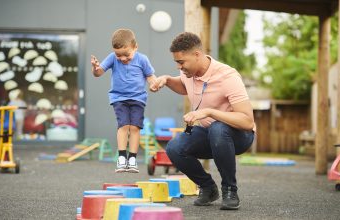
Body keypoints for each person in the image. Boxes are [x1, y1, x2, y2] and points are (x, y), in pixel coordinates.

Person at [152, 32, 255, 210]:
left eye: (181, 62)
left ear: (197, 55)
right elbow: (184, 86)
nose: (179, 67)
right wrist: (167, 80)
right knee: (174, 148)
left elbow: (247, 121)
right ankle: (208, 188)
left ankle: (230, 190)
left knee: (218, 128)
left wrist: (209, 112)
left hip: (239, 135)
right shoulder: (188, 73)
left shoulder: (227, 77)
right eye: (177, 62)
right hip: (211, 134)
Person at [91, 29, 157, 173]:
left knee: (135, 128)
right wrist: (95, 68)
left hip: (138, 98)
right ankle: (122, 158)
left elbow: (150, 76)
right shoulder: (112, 58)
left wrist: (154, 84)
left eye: (126, 54)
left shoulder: (142, 59)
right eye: (118, 55)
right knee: (123, 125)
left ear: (135, 47)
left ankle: (132, 158)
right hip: (119, 98)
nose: (122, 58)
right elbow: (99, 72)